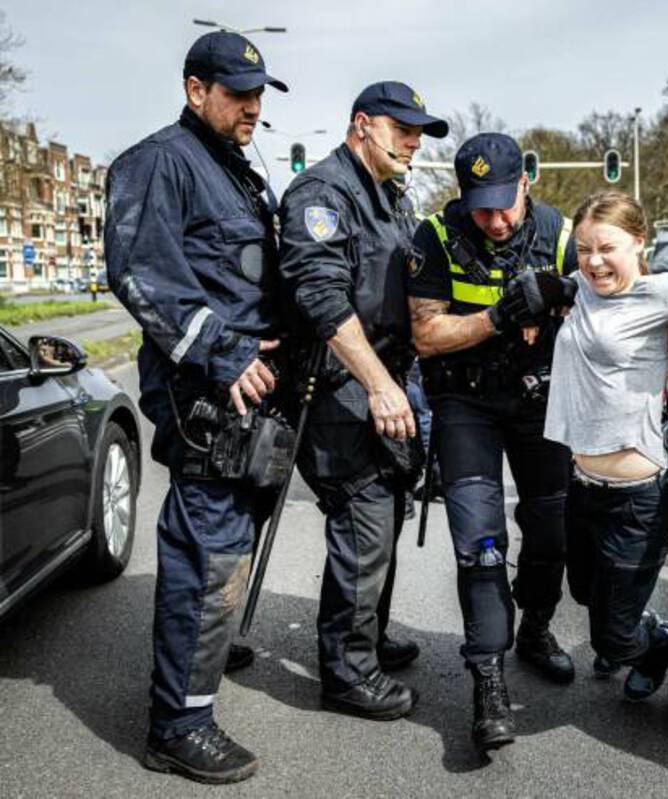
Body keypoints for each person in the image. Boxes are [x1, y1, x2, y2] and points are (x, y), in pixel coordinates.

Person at [104, 31, 287, 784]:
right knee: (206, 548)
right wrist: (225, 353)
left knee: (233, 535)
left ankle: (203, 651)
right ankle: (178, 723)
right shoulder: (159, 162)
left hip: (250, 390)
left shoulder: (234, 168)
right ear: (194, 90)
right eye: (237, 92)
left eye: (258, 94)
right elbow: (140, 272)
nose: (251, 106)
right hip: (205, 391)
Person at [278, 81, 446, 721]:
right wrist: (378, 384)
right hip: (341, 388)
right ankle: (348, 673)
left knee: (386, 516)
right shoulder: (322, 195)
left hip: (385, 379)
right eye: (402, 129)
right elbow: (322, 300)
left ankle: (367, 637)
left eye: (419, 134)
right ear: (361, 126)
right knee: (363, 519)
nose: (412, 143)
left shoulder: (391, 198)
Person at [407, 132, 576, 750]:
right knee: (479, 545)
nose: (497, 220)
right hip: (467, 405)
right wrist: (501, 316)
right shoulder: (437, 236)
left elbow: (603, 301)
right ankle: (489, 679)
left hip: (539, 404)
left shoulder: (559, 234)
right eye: (482, 207)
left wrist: (562, 299)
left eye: (506, 204)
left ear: (526, 183)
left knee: (552, 531)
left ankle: (535, 628)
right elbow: (426, 334)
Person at [545, 190, 668, 700]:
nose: (593, 261)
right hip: (582, 486)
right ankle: (633, 629)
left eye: (607, 247)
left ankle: (658, 644)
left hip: (637, 497)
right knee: (582, 592)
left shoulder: (665, 292)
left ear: (639, 242)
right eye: (582, 249)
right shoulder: (576, 288)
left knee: (613, 636)